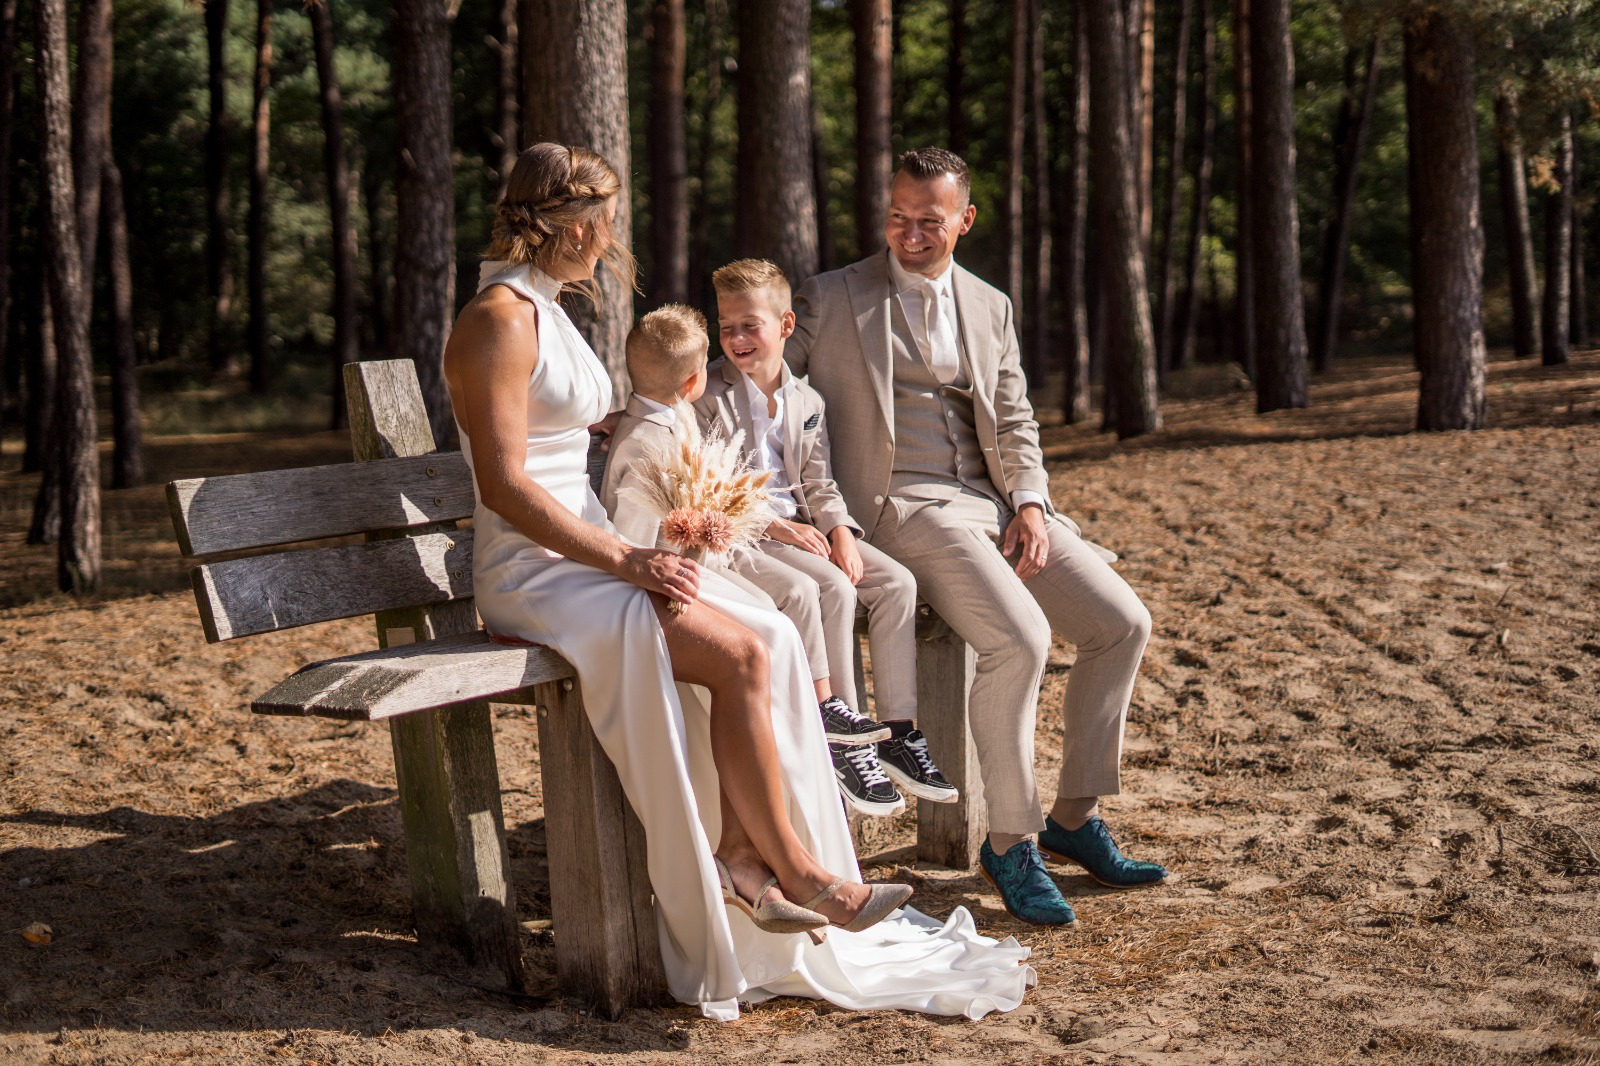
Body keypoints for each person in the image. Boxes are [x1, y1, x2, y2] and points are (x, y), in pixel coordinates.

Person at [443, 142, 1035, 1018]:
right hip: (535, 572)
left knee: (768, 632)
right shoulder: (497, 317)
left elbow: (560, 444)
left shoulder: (546, 307)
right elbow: (504, 486)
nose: (608, 242)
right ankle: (793, 871)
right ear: (568, 224)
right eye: (601, 225)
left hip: (590, 547)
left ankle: (752, 863)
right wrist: (628, 558)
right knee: (731, 651)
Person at [787, 147, 1169, 927]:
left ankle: (1072, 817)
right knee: (1020, 639)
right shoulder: (829, 298)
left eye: (930, 220)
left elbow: (1017, 417)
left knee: (1122, 623)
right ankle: (1012, 841)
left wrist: (1030, 502)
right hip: (902, 507)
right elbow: (761, 387)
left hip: (995, 504)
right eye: (897, 216)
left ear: (966, 219)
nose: (910, 233)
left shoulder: (990, 305)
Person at [601, 299, 916, 817]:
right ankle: (819, 720)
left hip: (713, 554)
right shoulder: (650, 438)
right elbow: (638, 543)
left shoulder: (675, 417)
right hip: (680, 576)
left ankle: (847, 723)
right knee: (794, 597)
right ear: (692, 383)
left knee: (852, 586)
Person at [698, 258, 959, 816]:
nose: (736, 339)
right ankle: (839, 727)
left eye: (750, 325)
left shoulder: (807, 401)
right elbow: (704, 483)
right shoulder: (706, 394)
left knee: (896, 583)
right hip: (745, 535)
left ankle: (895, 733)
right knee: (834, 588)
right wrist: (777, 527)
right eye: (726, 327)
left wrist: (840, 530)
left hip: (803, 528)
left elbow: (819, 482)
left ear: (786, 326)